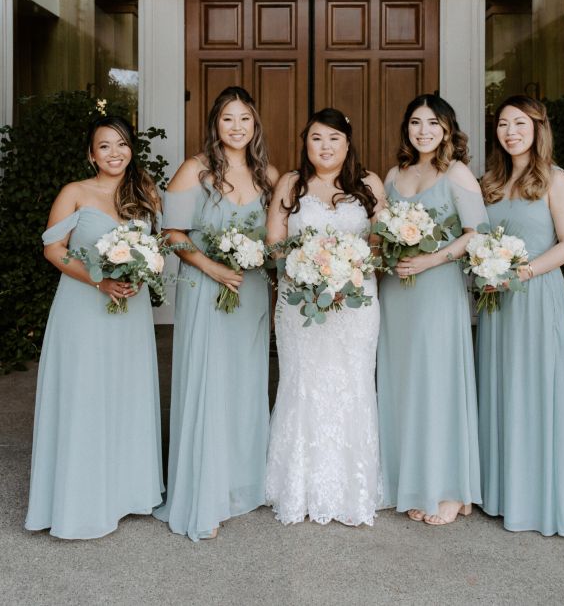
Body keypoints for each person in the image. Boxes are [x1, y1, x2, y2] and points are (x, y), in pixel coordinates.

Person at [25, 115, 164, 539]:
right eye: (105, 145)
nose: (114, 153)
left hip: (130, 311)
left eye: (121, 144)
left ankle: (126, 492)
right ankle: (80, 500)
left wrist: (144, 271)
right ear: (91, 154)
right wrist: (98, 280)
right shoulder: (75, 192)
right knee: (85, 392)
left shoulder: (145, 193)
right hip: (84, 307)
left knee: (126, 391)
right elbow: (53, 249)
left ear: (131, 149)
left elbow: (156, 248)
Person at [154, 86, 278, 541]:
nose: (237, 127)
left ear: (255, 124)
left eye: (245, 118)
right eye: (228, 118)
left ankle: (240, 486)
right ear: (215, 124)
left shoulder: (269, 176)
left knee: (244, 383)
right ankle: (203, 494)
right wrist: (213, 268)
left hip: (250, 291)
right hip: (207, 288)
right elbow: (172, 233)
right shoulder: (195, 170)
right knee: (209, 382)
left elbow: (277, 239)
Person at [476, 95, 564, 537]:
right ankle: (504, 494)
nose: (510, 132)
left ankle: (540, 501)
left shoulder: (554, 179)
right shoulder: (490, 181)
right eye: (503, 124)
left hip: (537, 297)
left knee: (536, 393)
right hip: (498, 304)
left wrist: (521, 272)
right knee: (502, 390)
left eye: (519, 123)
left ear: (538, 128)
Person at [265, 108, 385, 526]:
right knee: (303, 384)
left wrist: (348, 269)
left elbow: (380, 241)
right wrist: (306, 269)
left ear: (348, 144)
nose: (325, 146)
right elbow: (275, 242)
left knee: (353, 383)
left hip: (356, 304)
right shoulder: (291, 183)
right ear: (306, 143)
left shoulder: (369, 184)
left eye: (334, 138)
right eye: (316, 138)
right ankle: (297, 487)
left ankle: (354, 488)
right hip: (301, 303)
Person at [377, 94, 486, 525]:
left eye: (433, 124)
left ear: (447, 129)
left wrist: (431, 259)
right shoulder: (395, 174)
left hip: (436, 289)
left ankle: (448, 488)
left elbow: (477, 233)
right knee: (403, 382)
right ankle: (411, 480)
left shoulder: (456, 172)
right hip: (397, 292)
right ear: (406, 128)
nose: (423, 132)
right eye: (416, 123)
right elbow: (380, 233)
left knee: (437, 384)